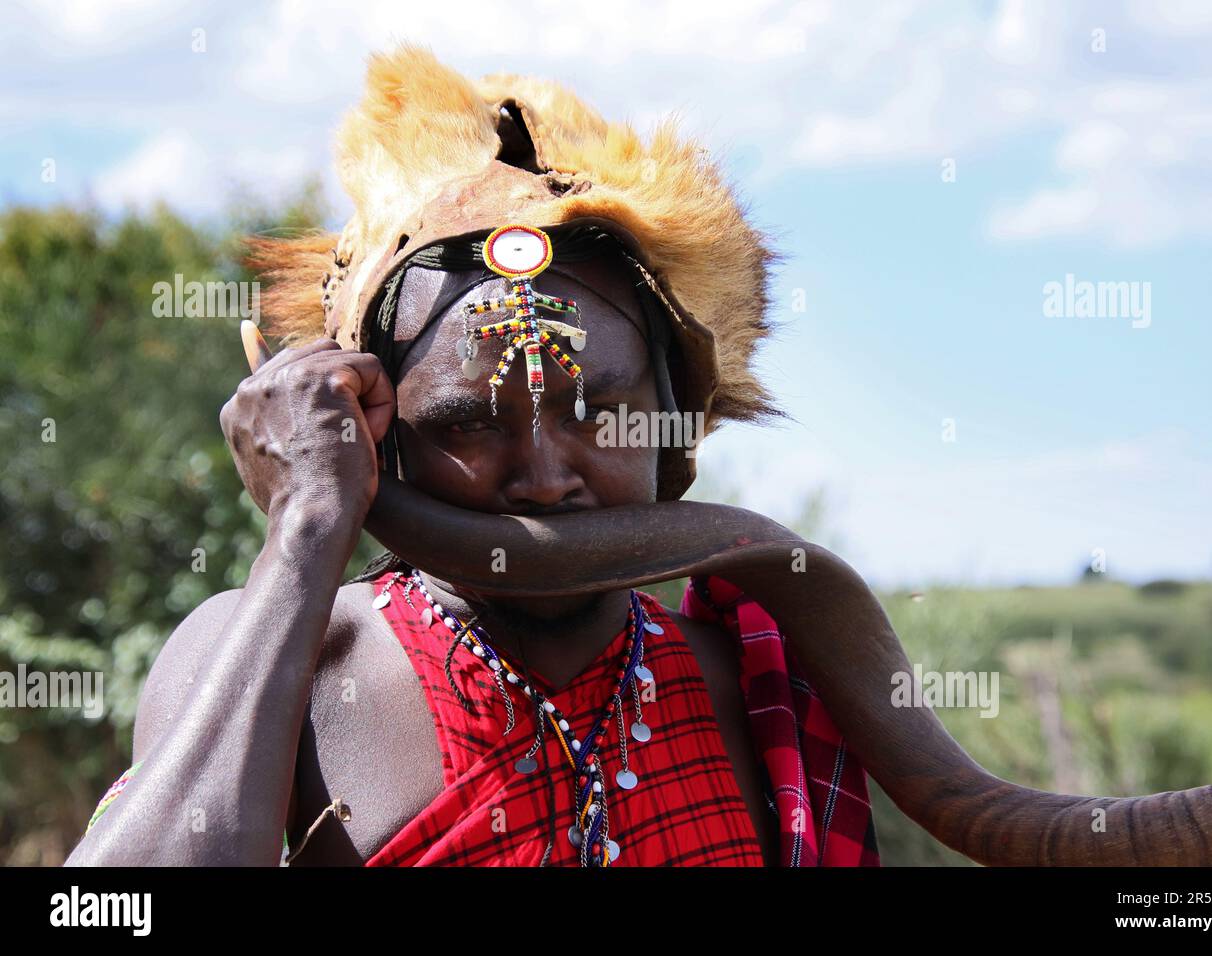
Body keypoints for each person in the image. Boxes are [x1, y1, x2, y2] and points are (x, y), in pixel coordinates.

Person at [67, 44, 881, 867]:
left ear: (674, 424)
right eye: (467, 423)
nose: (544, 477)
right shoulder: (283, 661)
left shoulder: (756, 682)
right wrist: (309, 523)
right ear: (379, 437)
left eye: (598, 412)